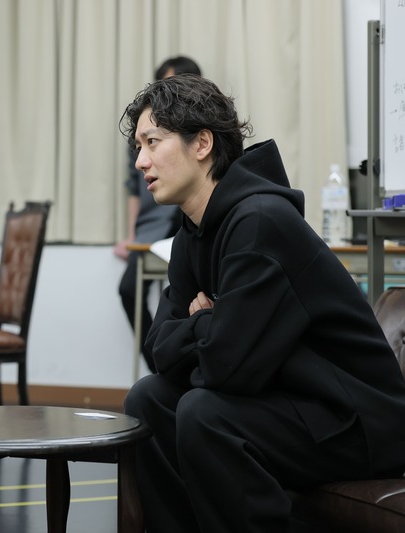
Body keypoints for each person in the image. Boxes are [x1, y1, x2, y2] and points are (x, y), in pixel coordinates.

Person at [120, 74, 405, 531]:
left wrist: (199, 325)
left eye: (152, 142)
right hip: (289, 404)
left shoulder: (260, 221)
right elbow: (159, 349)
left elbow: (227, 369)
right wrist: (209, 326)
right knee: (147, 398)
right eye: (138, 146)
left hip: (356, 421)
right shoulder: (192, 233)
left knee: (205, 414)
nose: (140, 161)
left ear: (202, 144)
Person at [115, 56, 201, 372]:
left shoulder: (198, 134)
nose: (143, 159)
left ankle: (186, 372)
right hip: (152, 228)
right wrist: (131, 235)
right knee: (129, 290)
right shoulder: (143, 132)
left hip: (186, 223)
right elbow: (133, 186)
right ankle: (161, 369)